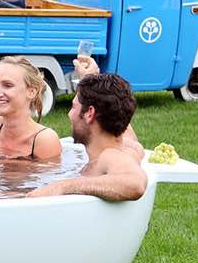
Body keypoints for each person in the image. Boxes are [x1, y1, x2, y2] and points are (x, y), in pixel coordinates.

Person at [27, 63, 147, 201]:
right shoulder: (128, 146)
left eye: (73, 107)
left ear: (89, 113)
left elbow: (135, 184)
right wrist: (92, 80)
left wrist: (61, 186)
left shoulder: (109, 156)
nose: (69, 114)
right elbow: (117, 107)